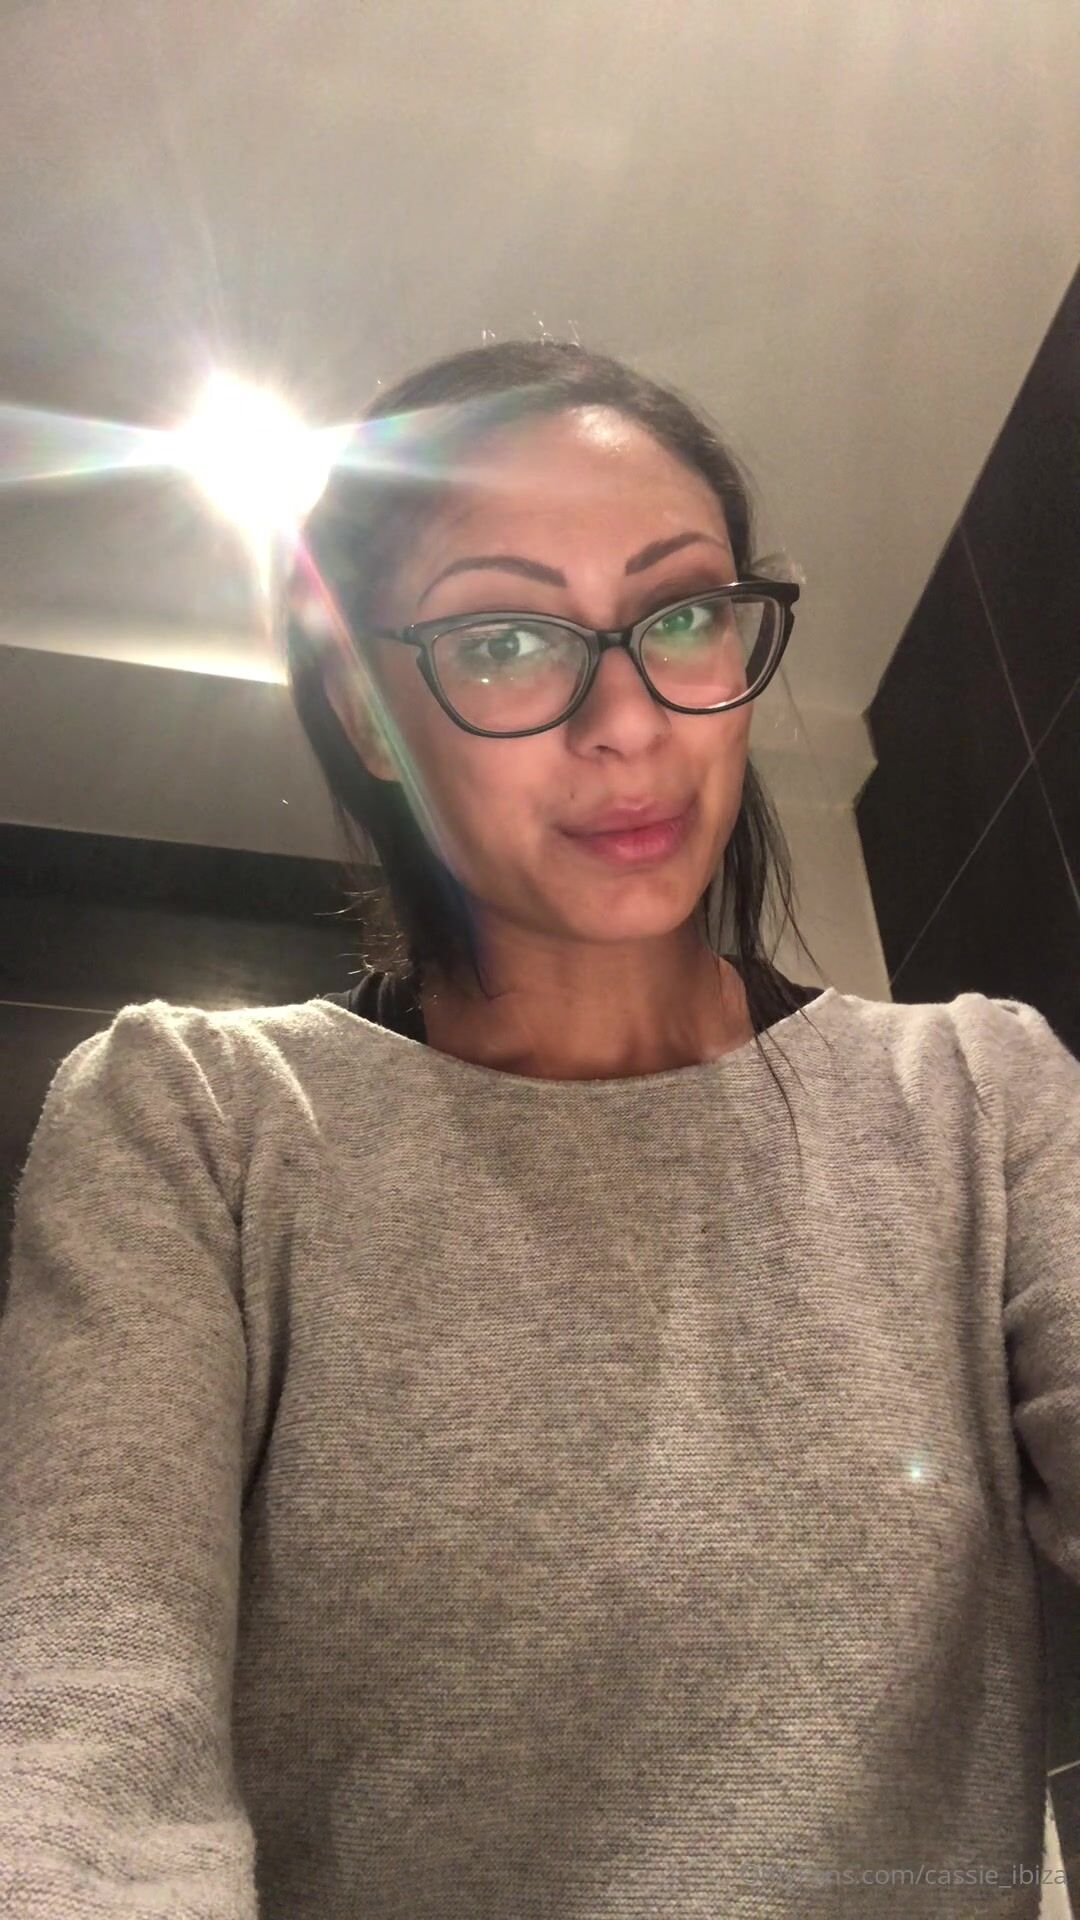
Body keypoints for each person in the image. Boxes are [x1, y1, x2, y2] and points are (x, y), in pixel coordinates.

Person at [0, 339, 1077, 1920]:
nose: (629, 721)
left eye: (682, 613)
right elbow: (84, 1752)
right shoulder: (200, 1125)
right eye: (505, 638)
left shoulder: (982, 1097)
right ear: (371, 717)